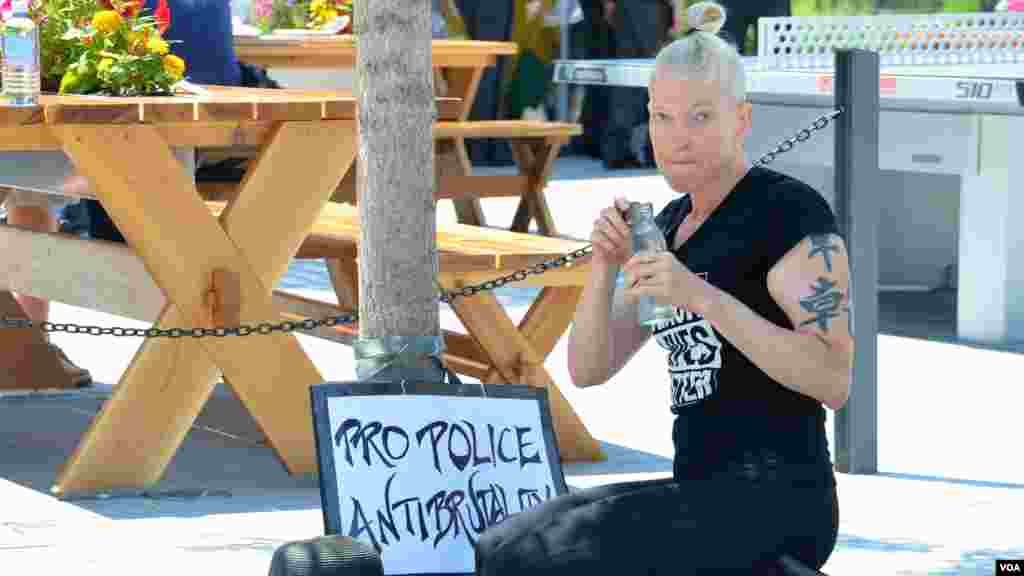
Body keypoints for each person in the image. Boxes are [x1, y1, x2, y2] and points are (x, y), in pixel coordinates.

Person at [473, 2, 851, 574]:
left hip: (778, 497)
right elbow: (589, 369)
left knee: (533, 560)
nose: (676, 138)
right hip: (700, 489)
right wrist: (602, 265)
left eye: (700, 117)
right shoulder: (670, 226)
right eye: (661, 117)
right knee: (504, 543)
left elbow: (832, 378)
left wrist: (702, 297)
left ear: (742, 120)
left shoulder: (788, 212)